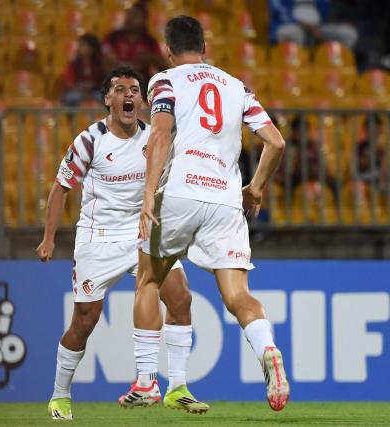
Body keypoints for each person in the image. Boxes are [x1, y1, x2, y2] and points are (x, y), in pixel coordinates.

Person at [118, 16, 290, 412]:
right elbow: (276, 143)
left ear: (167, 49)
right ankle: (268, 349)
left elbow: (160, 133)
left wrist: (148, 195)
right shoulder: (236, 86)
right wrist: (256, 188)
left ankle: (147, 383)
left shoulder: (165, 80)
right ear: (205, 48)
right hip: (226, 201)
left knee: (148, 278)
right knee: (239, 296)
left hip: (180, 192)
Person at [37, 66, 208, 420]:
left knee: (181, 296)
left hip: (141, 233)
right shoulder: (90, 139)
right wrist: (48, 239)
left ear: (143, 101)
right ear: (107, 100)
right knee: (85, 321)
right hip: (98, 240)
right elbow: (61, 189)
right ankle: (60, 394)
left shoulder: (156, 139)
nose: (128, 94)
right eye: (120, 89)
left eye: (134, 89)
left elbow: (169, 187)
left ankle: (176, 387)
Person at [101, 1, 167, 85]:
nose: (129, 19)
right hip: (115, 82)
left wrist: (152, 59)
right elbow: (101, 60)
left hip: (141, 83)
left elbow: (163, 68)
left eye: (135, 16)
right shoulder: (112, 38)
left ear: (144, 19)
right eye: (128, 15)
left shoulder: (149, 41)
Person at [269, 0, 358, 49]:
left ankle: (333, 65)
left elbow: (325, 13)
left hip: (317, 28)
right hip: (293, 26)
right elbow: (283, 14)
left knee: (348, 33)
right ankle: (296, 67)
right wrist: (309, 27)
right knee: (291, 33)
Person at [59, 34, 105, 107]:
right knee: (70, 97)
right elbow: (69, 83)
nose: (79, 48)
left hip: (93, 92)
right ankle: (71, 118)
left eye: (83, 45)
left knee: (106, 97)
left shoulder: (99, 65)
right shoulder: (74, 65)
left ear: (91, 48)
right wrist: (83, 93)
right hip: (78, 92)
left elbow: (102, 83)